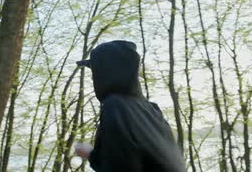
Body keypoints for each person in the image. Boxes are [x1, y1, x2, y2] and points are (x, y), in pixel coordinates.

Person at [75, 40, 186, 172]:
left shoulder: (115, 105)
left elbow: (120, 168)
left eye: (95, 72)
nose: (93, 79)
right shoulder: (151, 109)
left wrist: (91, 155)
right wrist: (92, 155)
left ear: (105, 73)